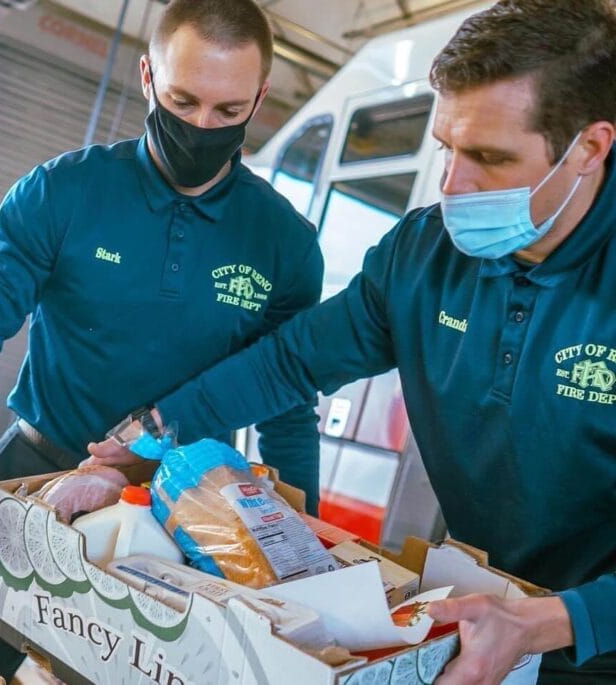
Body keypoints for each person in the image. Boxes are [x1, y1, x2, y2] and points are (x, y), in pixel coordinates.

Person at [90, 1, 616, 682]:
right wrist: (141, 438)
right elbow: (290, 360)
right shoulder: (425, 256)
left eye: (489, 156)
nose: (453, 186)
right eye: (446, 149)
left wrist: (553, 621)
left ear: (590, 148)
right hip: (481, 619)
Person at [0, 0, 326, 676]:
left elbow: (287, 406)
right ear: (146, 76)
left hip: (179, 515)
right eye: (184, 100)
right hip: (34, 484)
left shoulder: (284, 244)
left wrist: (303, 549)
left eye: (228, 111)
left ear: (260, 98)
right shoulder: (63, 193)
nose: (201, 127)